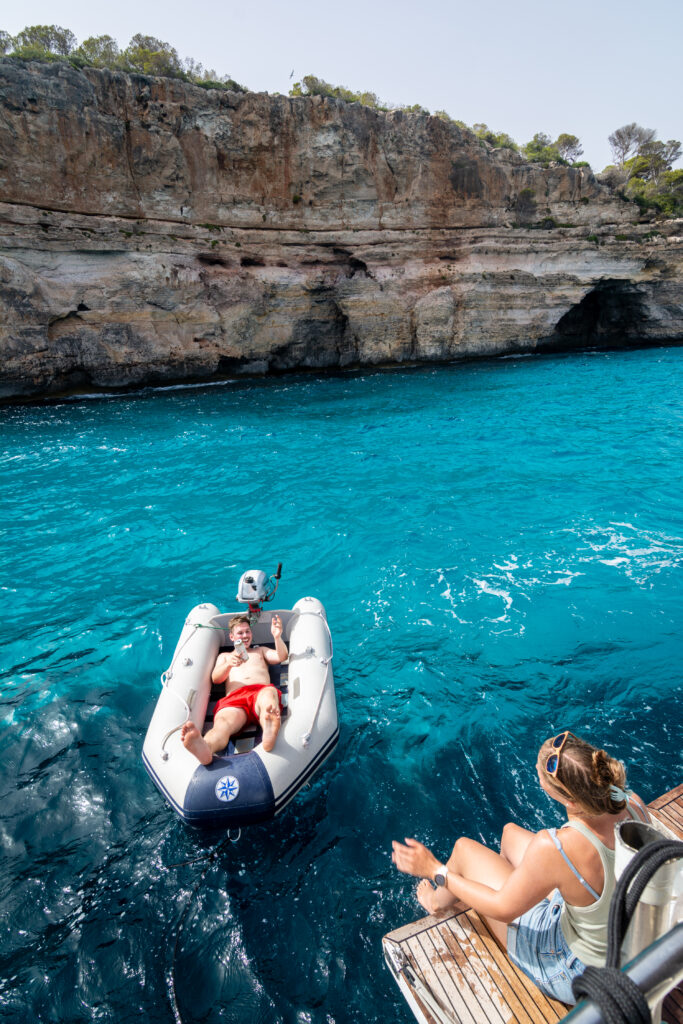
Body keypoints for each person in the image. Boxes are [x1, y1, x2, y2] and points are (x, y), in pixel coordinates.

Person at [391, 730, 650, 1004]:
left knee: (464, 851)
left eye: (542, 776)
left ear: (569, 801)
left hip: (578, 969)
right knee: (509, 834)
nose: (538, 775)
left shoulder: (557, 847)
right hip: (621, 937)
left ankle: (435, 902)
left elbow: (503, 909)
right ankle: (516, 887)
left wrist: (434, 869)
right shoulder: (631, 802)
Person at [181, 613, 288, 763]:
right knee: (222, 724)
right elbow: (216, 679)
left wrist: (277, 637)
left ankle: (269, 728)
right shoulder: (225, 656)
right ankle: (206, 747)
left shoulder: (260, 651)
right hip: (235, 700)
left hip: (260, 692)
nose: (245, 636)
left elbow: (281, 657)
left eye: (247, 631)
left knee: (268, 698)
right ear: (231, 637)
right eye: (240, 633)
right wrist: (228, 665)